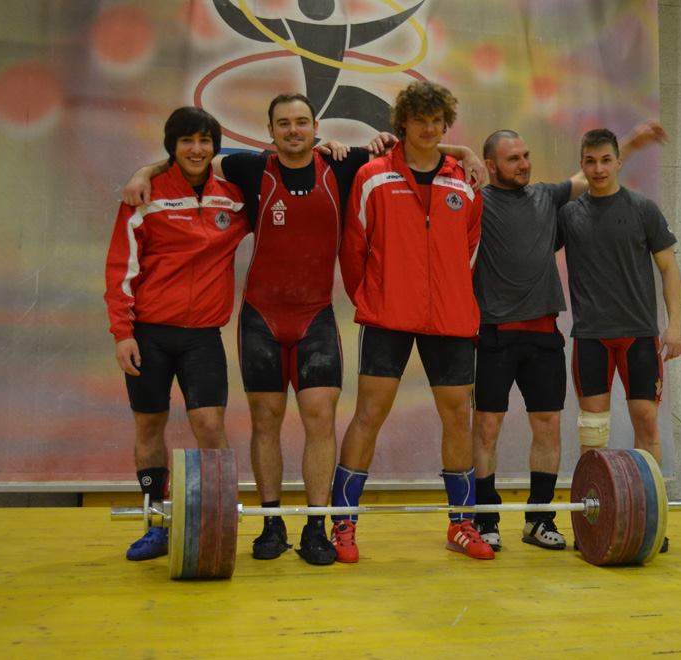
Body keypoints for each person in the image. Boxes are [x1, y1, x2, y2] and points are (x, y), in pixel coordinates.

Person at [123, 94, 484, 565]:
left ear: (315, 125)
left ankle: (320, 525)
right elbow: (191, 157)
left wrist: (466, 153)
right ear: (269, 130)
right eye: (283, 124)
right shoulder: (250, 170)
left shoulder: (346, 163)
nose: (293, 130)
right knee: (267, 422)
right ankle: (272, 524)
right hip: (261, 319)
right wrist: (143, 173)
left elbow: (422, 148)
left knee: (321, 418)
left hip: (315, 317)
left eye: (301, 122)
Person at [471, 124, 666, 552]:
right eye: (513, 159)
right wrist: (457, 154)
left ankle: (539, 518)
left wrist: (633, 141)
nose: (524, 164)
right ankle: (484, 518)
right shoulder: (476, 202)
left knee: (548, 428)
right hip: (495, 334)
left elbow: (594, 174)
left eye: (525, 155)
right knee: (486, 427)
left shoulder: (547, 196)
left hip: (544, 335)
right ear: (490, 166)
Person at [333, 80, 492, 562]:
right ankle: (343, 524)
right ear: (402, 123)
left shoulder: (464, 179)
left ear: (445, 125)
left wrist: (449, 295)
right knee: (369, 415)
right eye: (419, 119)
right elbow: (353, 247)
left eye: (436, 120)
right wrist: (376, 295)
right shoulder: (372, 174)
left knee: (457, 419)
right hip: (387, 315)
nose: (428, 128)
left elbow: (470, 248)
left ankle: (461, 525)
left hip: (450, 319)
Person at [105, 106, 249, 561]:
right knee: (150, 425)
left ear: (215, 147)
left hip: (202, 335)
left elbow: (282, 165)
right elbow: (120, 271)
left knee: (209, 425)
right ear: (173, 146)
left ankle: (218, 523)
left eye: (205, 141)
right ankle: (156, 524)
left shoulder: (235, 196)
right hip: (147, 334)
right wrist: (122, 333)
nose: (196, 149)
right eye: (187, 141)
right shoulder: (144, 196)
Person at [557, 128, 681, 552]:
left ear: (617, 162)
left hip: (640, 337)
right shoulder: (569, 214)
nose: (597, 169)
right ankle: (591, 523)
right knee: (593, 433)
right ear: (583, 163)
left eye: (605, 160)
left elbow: (669, 268)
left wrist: (676, 324)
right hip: (591, 337)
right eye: (589, 161)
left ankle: (650, 521)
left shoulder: (643, 209)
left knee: (646, 422)